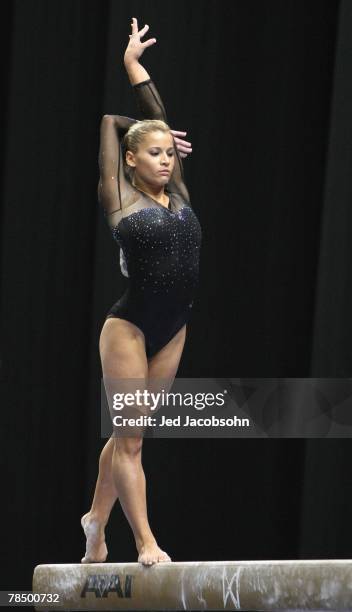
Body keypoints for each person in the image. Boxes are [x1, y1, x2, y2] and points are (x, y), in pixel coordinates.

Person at [80, 17, 202, 567]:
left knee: (129, 437)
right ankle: (146, 543)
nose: (167, 159)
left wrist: (138, 71)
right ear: (131, 160)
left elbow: (157, 127)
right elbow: (110, 121)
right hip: (128, 327)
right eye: (155, 153)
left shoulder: (177, 193)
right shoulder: (119, 199)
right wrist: (142, 123)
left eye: (170, 153)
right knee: (131, 442)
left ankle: (95, 522)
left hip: (173, 327)